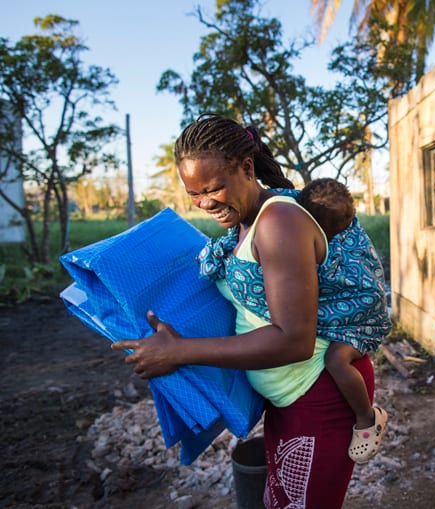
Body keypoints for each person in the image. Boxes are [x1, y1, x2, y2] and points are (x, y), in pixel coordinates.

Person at [111, 114, 389, 508]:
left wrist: (180, 352)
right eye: (194, 194)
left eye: (213, 188)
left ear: (246, 167)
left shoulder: (278, 222)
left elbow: (293, 340)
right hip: (288, 400)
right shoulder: (247, 222)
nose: (205, 202)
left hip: (319, 396)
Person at [295, 177, 390, 463]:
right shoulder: (349, 225)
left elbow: (327, 281)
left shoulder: (334, 247)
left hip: (364, 318)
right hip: (368, 308)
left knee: (336, 360)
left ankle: (367, 417)